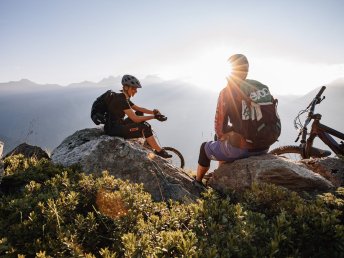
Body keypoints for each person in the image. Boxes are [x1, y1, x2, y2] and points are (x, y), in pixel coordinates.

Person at [195, 54, 271, 185]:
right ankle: (221, 171)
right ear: (246, 71)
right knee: (220, 137)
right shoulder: (260, 87)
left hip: (244, 148)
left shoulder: (227, 92)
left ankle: (197, 182)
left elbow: (220, 128)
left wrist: (226, 134)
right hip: (264, 145)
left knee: (205, 147)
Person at [104, 74, 172, 158]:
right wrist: (154, 117)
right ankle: (159, 151)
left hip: (118, 124)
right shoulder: (121, 99)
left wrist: (154, 113)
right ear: (126, 87)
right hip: (114, 130)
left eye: (136, 88)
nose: (135, 91)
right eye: (133, 88)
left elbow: (138, 108)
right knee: (145, 126)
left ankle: (148, 140)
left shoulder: (123, 97)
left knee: (139, 113)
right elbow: (135, 119)